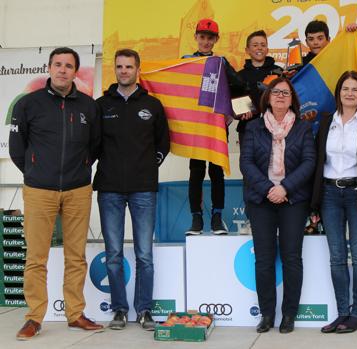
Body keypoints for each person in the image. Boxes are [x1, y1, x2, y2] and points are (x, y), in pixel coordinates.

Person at [9, 47, 103, 340]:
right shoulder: (28, 104)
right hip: (39, 190)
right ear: (49, 68)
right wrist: (36, 172)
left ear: (76, 71)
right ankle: (34, 318)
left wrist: (81, 169)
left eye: (69, 66)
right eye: (58, 64)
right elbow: (16, 148)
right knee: (36, 258)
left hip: (77, 190)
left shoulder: (89, 106)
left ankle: (75, 314)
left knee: (76, 257)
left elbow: (96, 146)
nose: (63, 70)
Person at [93, 49, 170, 331]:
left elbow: (163, 144)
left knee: (144, 255)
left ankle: (145, 310)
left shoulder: (153, 104)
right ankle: (119, 310)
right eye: (119, 66)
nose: (124, 71)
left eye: (129, 66)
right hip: (109, 189)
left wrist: (150, 167)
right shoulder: (101, 105)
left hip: (143, 189)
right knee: (113, 254)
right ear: (114, 69)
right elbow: (92, 146)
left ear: (138, 69)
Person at [310, 71, 357, 333]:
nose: (350, 93)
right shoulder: (325, 123)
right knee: (337, 258)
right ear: (338, 93)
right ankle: (342, 313)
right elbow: (317, 164)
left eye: (355, 89)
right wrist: (315, 204)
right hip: (330, 195)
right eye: (345, 88)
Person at [240, 77, 316, 334]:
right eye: (276, 92)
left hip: (292, 199)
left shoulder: (303, 128)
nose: (281, 96)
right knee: (263, 260)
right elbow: (246, 163)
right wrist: (269, 189)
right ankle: (267, 314)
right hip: (261, 200)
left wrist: (284, 188)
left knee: (292, 258)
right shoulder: (253, 127)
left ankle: (289, 315)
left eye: (285, 92)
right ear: (268, 98)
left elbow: (309, 162)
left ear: (292, 98)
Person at [183, 18, 245, 235]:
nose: (206, 41)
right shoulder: (185, 61)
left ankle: (217, 218)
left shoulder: (221, 62)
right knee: (196, 172)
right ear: (196, 38)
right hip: (196, 128)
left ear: (216, 39)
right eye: (202, 37)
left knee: (217, 172)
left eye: (210, 38)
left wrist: (233, 113)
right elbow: (176, 90)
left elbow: (239, 87)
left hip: (217, 126)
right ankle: (196, 219)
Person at [237, 30, 283, 146]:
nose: (259, 48)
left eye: (263, 45)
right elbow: (235, 98)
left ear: (267, 49)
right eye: (255, 45)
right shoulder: (239, 75)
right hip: (247, 128)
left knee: (273, 162)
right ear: (247, 50)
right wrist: (242, 112)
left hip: (274, 128)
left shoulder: (279, 72)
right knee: (248, 162)